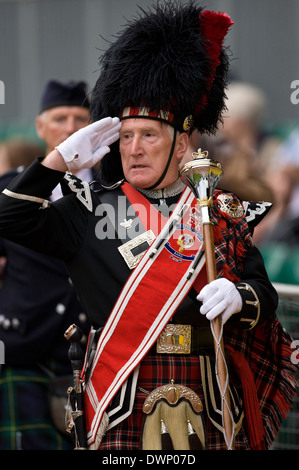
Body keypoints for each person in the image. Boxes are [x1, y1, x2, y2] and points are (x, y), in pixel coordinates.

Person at [0, 2, 296, 451]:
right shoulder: (86, 209)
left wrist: (240, 297)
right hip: (121, 393)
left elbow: (265, 296)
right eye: (126, 137)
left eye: (149, 136)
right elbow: (9, 216)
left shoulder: (218, 210)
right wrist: (57, 160)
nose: (133, 149)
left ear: (181, 144)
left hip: (207, 397)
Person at [0, 80, 91, 450]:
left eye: (79, 118)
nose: (70, 127)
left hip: (91, 350)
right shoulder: (7, 190)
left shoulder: (113, 193)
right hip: (23, 345)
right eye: (59, 118)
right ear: (40, 127)